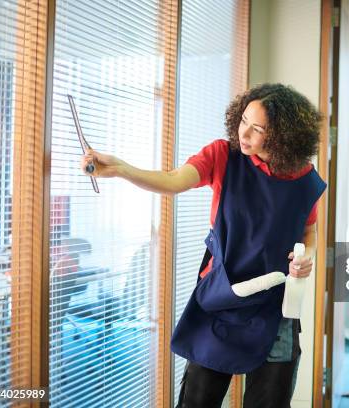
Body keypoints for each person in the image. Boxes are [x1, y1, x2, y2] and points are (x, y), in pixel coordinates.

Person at [80, 83, 327, 408]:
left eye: (257, 129)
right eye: (243, 121)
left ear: (283, 135)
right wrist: (122, 169)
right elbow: (173, 180)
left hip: (274, 303)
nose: (245, 134)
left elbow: (310, 232)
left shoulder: (305, 180)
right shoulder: (223, 155)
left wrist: (305, 257)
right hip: (221, 294)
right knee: (197, 400)